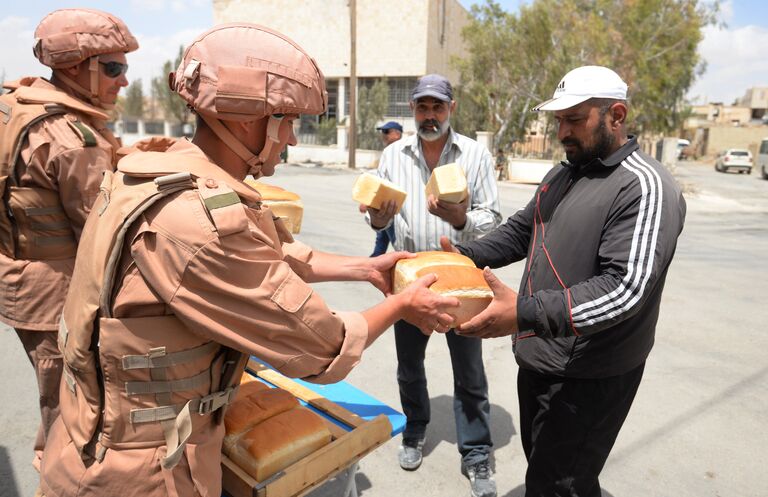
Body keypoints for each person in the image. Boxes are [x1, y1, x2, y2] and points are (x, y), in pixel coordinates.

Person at [38, 24, 459, 497]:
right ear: (245, 119)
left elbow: (274, 254)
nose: (293, 139)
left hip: (92, 441)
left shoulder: (161, 170)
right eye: (288, 120)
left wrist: (363, 268)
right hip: (140, 473)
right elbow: (323, 349)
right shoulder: (199, 222)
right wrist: (402, 306)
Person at [446, 65, 687, 497]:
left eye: (574, 119)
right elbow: (524, 229)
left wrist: (521, 313)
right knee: (546, 468)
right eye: (558, 120)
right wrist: (463, 257)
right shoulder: (565, 172)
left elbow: (624, 290)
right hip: (540, 356)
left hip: (590, 375)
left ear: (616, 114)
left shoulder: (644, 186)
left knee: (560, 484)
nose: (562, 132)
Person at [0, 8, 137, 474]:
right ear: (74, 67)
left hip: (21, 281)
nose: (123, 81)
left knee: (54, 389)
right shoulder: (72, 138)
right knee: (71, 404)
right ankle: (60, 474)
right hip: (58, 294)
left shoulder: (16, 107)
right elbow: (107, 234)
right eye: (114, 68)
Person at [365, 74, 502, 497]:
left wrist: (460, 219)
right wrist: (378, 217)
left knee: (470, 372)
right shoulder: (392, 155)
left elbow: (493, 218)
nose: (430, 116)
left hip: (462, 276)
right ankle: (415, 430)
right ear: (413, 110)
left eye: (437, 107)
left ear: (451, 109)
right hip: (410, 278)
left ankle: (476, 451)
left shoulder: (475, 155)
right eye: (423, 108)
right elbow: (375, 217)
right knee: (409, 367)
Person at [365, 121, 403, 256]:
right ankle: (375, 259)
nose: (383, 135)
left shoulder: (403, 154)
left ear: (397, 134)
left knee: (396, 242)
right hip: (384, 206)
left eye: (387, 132)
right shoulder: (388, 153)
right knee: (381, 237)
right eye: (382, 132)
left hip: (396, 209)